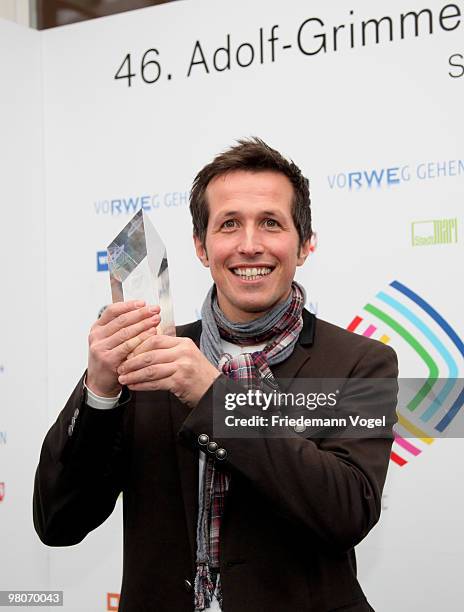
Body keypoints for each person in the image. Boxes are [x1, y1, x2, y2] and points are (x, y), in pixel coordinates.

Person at [33, 138, 398, 612]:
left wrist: (216, 398)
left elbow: (348, 510)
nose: (250, 245)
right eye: (229, 225)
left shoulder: (361, 362)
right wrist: (100, 392)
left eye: (270, 223)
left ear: (304, 245)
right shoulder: (150, 357)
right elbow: (58, 522)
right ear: (201, 248)